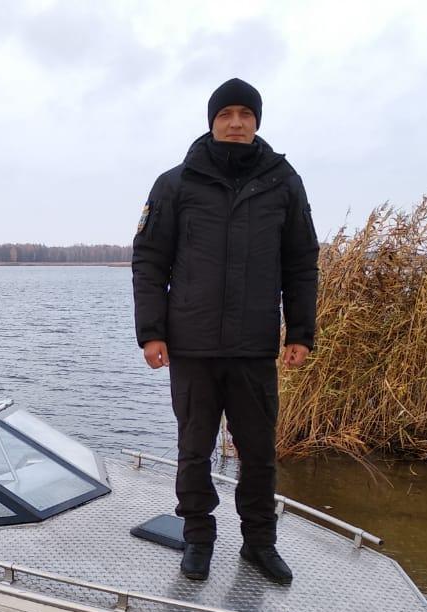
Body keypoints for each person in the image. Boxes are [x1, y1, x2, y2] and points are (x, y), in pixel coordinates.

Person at [132, 78, 319, 584]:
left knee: (259, 453)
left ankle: (259, 543)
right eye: (226, 114)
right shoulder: (176, 183)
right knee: (194, 449)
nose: (236, 122)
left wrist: (300, 330)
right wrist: (151, 332)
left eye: (245, 114)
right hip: (191, 346)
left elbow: (302, 261)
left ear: (257, 121)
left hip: (254, 347)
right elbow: (150, 260)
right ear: (211, 121)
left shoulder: (283, 182)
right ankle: (197, 540)